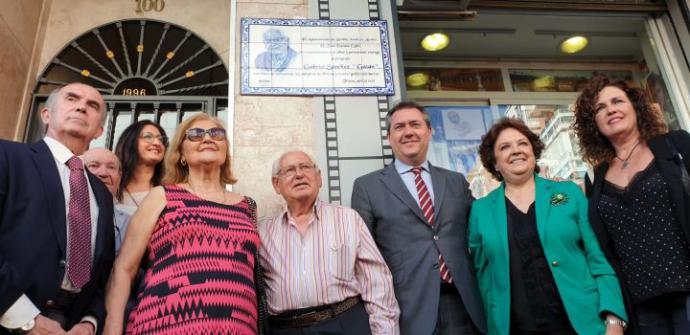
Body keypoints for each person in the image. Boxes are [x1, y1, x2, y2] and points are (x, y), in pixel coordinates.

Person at [104, 114, 266, 335]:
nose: (207, 138)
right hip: (165, 324)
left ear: (225, 150)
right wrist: (112, 329)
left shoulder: (248, 206)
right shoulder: (161, 196)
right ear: (181, 153)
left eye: (216, 134)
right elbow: (124, 269)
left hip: (237, 327)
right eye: (196, 134)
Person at [469, 117, 627, 335]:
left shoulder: (568, 193)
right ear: (494, 162)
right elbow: (483, 277)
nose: (516, 150)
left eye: (523, 143)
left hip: (581, 323)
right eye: (505, 147)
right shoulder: (481, 211)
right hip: (516, 328)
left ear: (533, 152)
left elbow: (598, 257)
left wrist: (614, 320)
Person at [351, 101, 487, 335]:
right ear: (389, 136)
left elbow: (482, 229)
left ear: (429, 131)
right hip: (408, 309)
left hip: (465, 304)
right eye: (399, 127)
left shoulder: (455, 181)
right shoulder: (367, 187)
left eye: (415, 124)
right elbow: (362, 255)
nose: (408, 132)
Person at [573, 75, 690, 334]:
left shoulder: (677, 144)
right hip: (641, 307)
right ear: (594, 123)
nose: (610, 109)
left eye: (617, 101)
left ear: (635, 108)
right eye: (600, 108)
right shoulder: (594, 177)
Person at [0, 82, 115, 334]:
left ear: (99, 130)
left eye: (92, 105)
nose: (82, 107)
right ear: (46, 114)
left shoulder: (102, 195)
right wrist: (23, 318)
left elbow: (102, 272)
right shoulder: (7, 156)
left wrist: (89, 322)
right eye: (72, 98)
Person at [260, 150, 400, 335]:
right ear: (276, 184)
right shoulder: (263, 231)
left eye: (305, 167)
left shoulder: (348, 219)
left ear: (319, 178)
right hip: (284, 329)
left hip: (344, 323)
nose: (299, 174)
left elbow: (377, 283)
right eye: (289, 170)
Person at [114, 120, 168, 216]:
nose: (157, 143)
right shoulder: (112, 186)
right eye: (148, 137)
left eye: (161, 139)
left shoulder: (170, 188)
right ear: (130, 141)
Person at [83, 147, 131, 252]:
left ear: (120, 176)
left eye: (111, 167)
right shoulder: (61, 213)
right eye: (94, 165)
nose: (103, 173)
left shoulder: (130, 224)